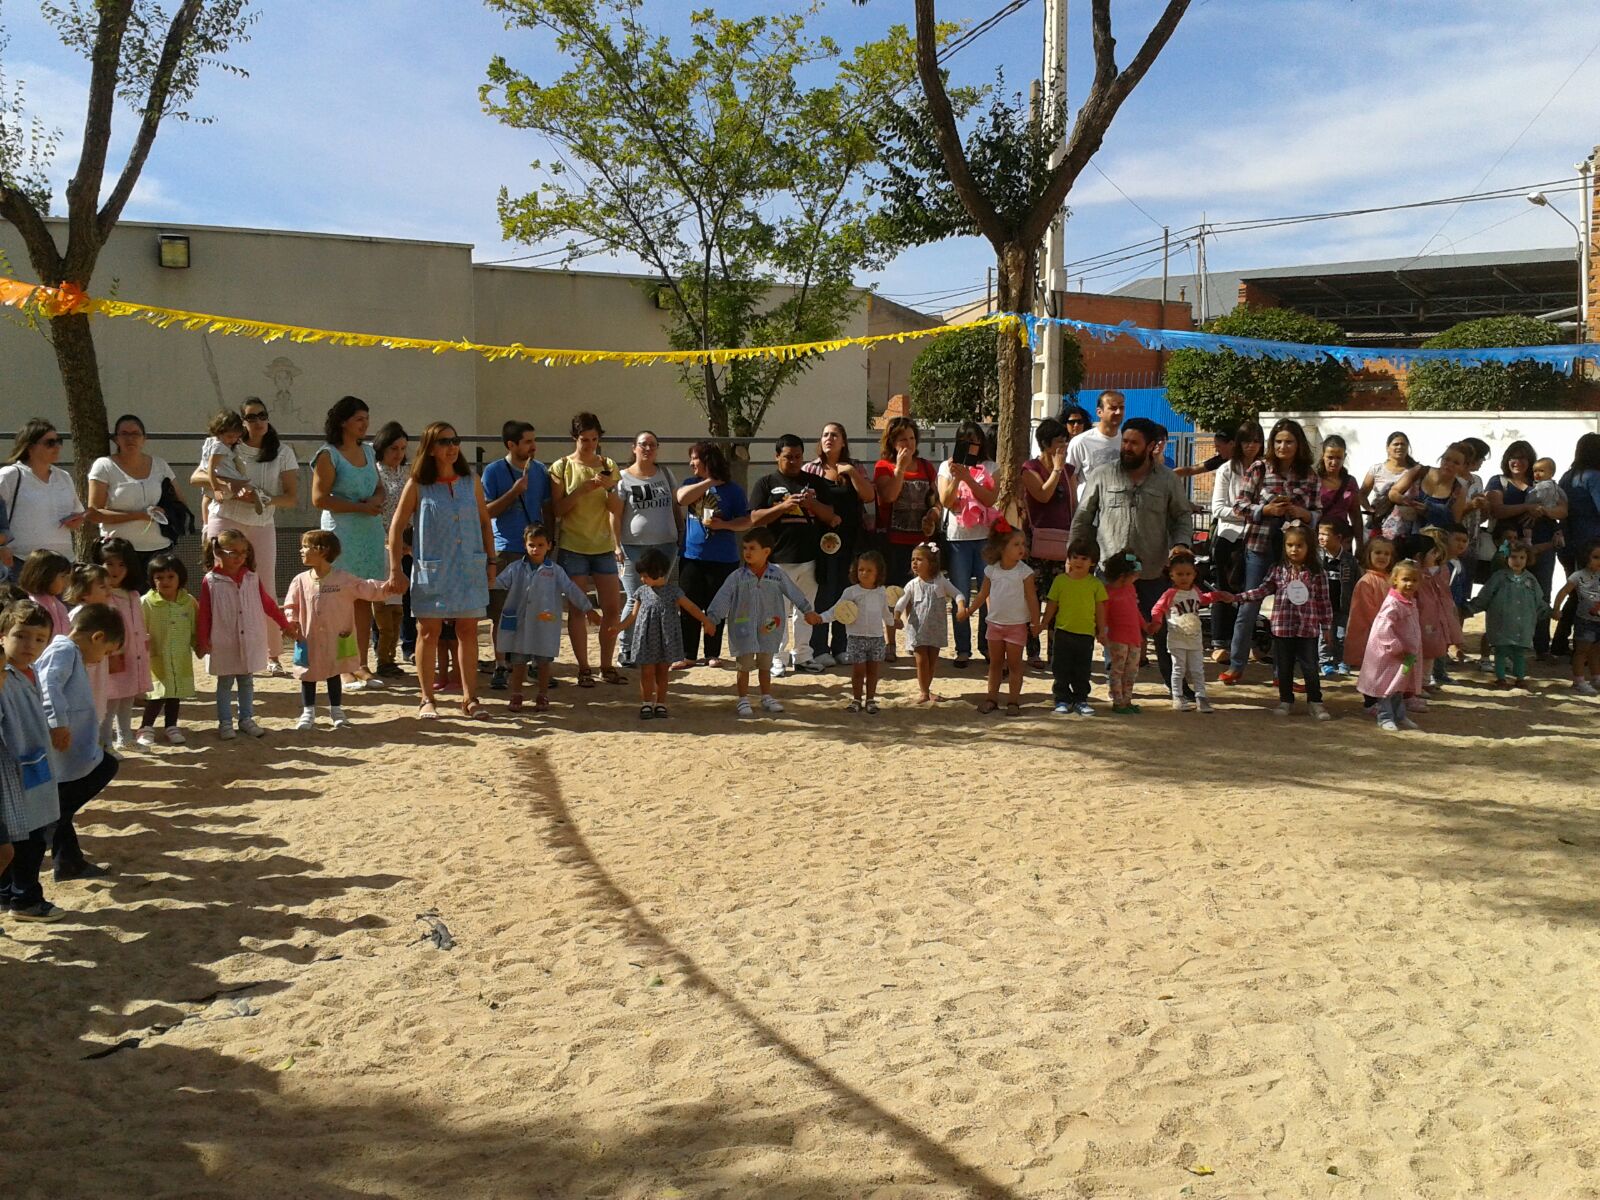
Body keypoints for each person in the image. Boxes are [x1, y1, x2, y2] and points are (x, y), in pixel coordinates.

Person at [1070, 416, 1194, 690]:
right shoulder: (1102, 474)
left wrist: (1181, 544)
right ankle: (1116, 688)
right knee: (1111, 631)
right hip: (1110, 573)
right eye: (1124, 441)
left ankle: (1175, 685)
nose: (1126, 447)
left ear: (1151, 446)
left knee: (1162, 630)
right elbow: (1083, 517)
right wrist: (1075, 555)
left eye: (1134, 443)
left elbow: (1182, 517)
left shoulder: (1168, 480)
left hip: (1153, 571)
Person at [385, 422, 495, 720]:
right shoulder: (418, 484)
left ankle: (470, 698)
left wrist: (491, 561)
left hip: (469, 567)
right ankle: (427, 698)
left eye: (455, 440)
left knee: (468, 630)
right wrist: (396, 569)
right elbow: (396, 526)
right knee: (428, 631)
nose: (452, 447)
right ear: (431, 448)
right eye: (445, 442)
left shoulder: (471, 481)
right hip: (433, 569)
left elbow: (485, 523)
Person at [192, 398, 301, 674]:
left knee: (264, 585)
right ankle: (216, 649)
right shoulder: (226, 444)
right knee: (218, 583)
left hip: (261, 522)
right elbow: (197, 477)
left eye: (262, 415)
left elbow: (290, 498)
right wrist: (230, 486)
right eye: (251, 417)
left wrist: (260, 498)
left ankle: (272, 654)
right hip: (225, 518)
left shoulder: (282, 451)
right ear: (241, 423)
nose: (258, 421)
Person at [1220, 418, 1320, 686]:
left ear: (1299, 444)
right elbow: (1239, 505)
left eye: (1289, 441)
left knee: (1288, 612)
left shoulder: (1309, 475)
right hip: (1259, 546)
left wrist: (1303, 514)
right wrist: (1265, 510)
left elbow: (1317, 512)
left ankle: (1282, 674)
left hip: (1294, 553)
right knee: (1249, 606)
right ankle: (1236, 665)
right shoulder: (1259, 468)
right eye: (1278, 441)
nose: (1283, 446)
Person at [36, 602, 124, 880]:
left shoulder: (71, 652)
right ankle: (49, 826)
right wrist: (57, 723)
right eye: (106, 652)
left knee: (62, 802)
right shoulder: (63, 650)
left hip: (70, 745)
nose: (102, 658)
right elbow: (48, 685)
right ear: (97, 637)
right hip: (60, 742)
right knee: (105, 767)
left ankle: (68, 862)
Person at [703, 527, 821, 718]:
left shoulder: (777, 575)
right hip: (743, 628)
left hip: (769, 627)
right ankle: (743, 699)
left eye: (752, 548)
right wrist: (712, 619)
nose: (747, 552)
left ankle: (766, 696)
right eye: (745, 548)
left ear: (766, 552)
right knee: (744, 665)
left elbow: (794, 592)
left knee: (765, 665)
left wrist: (807, 610)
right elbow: (723, 597)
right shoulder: (737, 577)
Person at [283, 531, 394, 731]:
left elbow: (366, 588)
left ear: (323, 550)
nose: (301, 550)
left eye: (306, 546)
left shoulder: (342, 579)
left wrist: (389, 587)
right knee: (308, 674)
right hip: (308, 637)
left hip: (336, 636)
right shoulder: (300, 580)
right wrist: (291, 622)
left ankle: (336, 711)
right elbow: (291, 605)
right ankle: (308, 712)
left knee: (334, 672)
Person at [311, 396, 386, 688]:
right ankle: (340, 666)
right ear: (343, 422)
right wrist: (358, 507)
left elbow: (379, 487)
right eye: (359, 419)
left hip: (369, 533)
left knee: (363, 597)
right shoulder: (328, 455)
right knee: (339, 600)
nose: (365, 424)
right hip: (342, 534)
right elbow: (319, 498)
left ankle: (361, 663)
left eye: (366, 418)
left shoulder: (369, 451)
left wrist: (376, 500)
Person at [0, 600, 68, 921]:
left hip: (35, 764)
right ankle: (25, 899)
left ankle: (8, 892)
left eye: (39, 639)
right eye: (21, 636)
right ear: (2, 636)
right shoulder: (3, 677)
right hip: (12, 770)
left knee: (31, 833)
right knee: (27, 838)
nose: (30, 645)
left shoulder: (32, 672)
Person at [1225, 524, 1333, 720]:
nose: (1294, 550)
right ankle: (1286, 701)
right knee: (1284, 666)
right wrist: (1237, 597)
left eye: (1299, 545)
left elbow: (1323, 602)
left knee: (1310, 666)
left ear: (1309, 547)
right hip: (1282, 628)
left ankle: (1315, 702)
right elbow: (1262, 590)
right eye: (1290, 545)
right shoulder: (1277, 570)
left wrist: (1326, 627)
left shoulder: (1318, 573)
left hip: (1308, 629)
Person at [548, 412, 625, 687]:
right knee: (578, 609)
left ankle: (607, 665)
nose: (590, 444)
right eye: (584, 439)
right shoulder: (561, 466)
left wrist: (609, 488)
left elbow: (616, 509)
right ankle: (583, 668)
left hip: (603, 545)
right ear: (575, 438)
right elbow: (557, 510)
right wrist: (581, 490)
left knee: (612, 608)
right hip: (574, 546)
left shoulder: (608, 464)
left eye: (594, 439)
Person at [751, 434, 836, 676]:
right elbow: (754, 518)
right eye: (788, 457)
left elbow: (830, 515)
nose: (794, 461)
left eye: (798, 457)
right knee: (776, 612)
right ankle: (777, 657)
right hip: (777, 559)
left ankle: (803, 656)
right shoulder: (766, 483)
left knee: (805, 610)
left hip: (810, 558)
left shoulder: (815, 482)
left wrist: (812, 505)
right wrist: (783, 506)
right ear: (777, 456)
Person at [198, 529, 293, 739]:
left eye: (243, 552)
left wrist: (284, 624)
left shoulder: (252, 578)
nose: (239, 557)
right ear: (218, 552)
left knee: (246, 681)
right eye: (233, 552)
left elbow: (268, 603)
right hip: (224, 641)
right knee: (225, 683)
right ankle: (225, 722)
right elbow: (204, 612)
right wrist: (203, 640)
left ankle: (246, 718)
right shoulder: (211, 581)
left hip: (249, 639)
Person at [498, 524, 599, 713]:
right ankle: (516, 694)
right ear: (525, 545)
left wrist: (587, 608)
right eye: (531, 545)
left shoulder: (555, 571)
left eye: (540, 545)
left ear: (549, 546)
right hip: (520, 623)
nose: (535, 549)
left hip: (544, 623)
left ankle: (542, 694)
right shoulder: (515, 568)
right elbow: (498, 583)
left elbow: (571, 589)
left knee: (544, 662)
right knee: (519, 662)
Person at [481, 420, 552, 688]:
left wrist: (550, 540)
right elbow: (486, 512)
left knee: (535, 611)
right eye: (527, 442)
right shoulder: (494, 471)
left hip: (535, 550)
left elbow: (547, 507)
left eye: (534, 441)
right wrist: (513, 493)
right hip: (505, 548)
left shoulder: (540, 470)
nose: (533, 446)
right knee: (501, 612)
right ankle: (501, 664)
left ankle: (533, 664)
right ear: (511, 445)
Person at [608, 547, 712, 721]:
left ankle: (661, 703)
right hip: (646, 639)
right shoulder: (641, 592)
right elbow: (633, 615)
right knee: (646, 672)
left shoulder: (674, 592)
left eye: (645, 576)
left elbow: (691, 607)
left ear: (658, 572)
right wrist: (619, 627)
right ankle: (646, 703)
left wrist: (705, 620)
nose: (642, 579)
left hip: (666, 639)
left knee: (663, 672)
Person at [802, 422, 874, 669]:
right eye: (825, 435)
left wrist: (851, 472)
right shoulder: (810, 469)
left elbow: (869, 496)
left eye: (834, 435)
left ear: (843, 441)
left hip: (851, 541)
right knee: (823, 594)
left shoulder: (856, 467)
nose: (829, 439)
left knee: (847, 593)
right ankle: (820, 648)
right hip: (820, 541)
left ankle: (841, 646)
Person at [674, 441, 750, 669]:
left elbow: (746, 521)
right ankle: (688, 654)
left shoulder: (733, 490)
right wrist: (710, 481)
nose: (691, 464)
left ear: (707, 460)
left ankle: (712, 653)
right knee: (688, 606)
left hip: (723, 558)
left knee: (716, 608)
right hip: (692, 556)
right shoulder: (691, 484)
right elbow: (681, 499)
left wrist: (724, 525)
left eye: (695, 459)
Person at [611, 430, 682, 668]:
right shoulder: (623, 478)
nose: (648, 449)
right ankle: (626, 649)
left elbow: (675, 506)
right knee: (635, 599)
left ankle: (654, 647)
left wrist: (680, 532)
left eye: (652, 444)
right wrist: (616, 545)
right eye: (643, 444)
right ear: (634, 448)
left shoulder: (665, 474)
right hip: (633, 547)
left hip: (665, 545)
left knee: (658, 597)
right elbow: (615, 515)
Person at [1486, 440, 1560, 660]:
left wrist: (1543, 511)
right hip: (1510, 549)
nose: (1517, 462)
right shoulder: (1498, 481)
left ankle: (1542, 647)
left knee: (1541, 594)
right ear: (1506, 460)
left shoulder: (1542, 484)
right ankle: (1504, 646)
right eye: (1513, 457)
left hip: (1541, 547)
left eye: (1523, 458)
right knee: (1505, 596)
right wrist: (1528, 507)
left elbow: (1563, 509)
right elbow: (1497, 510)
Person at [938, 421, 999, 664]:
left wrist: (970, 479)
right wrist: (956, 477)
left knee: (986, 594)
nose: (970, 446)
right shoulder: (946, 466)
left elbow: (990, 499)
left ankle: (986, 644)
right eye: (964, 442)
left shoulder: (991, 467)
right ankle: (963, 648)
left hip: (984, 538)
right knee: (960, 594)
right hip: (958, 539)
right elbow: (946, 500)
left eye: (974, 441)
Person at [873, 415, 940, 634]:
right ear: (892, 442)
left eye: (912, 438)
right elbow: (889, 496)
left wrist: (933, 514)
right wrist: (900, 469)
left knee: (920, 595)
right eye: (903, 439)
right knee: (893, 594)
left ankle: (916, 638)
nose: (909, 444)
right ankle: (891, 641)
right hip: (893, 542)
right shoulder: (883, 467)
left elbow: (936, 501)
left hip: (921, 543)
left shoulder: (926, 467)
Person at [86, 413, 176, 573]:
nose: (130, 438)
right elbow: (94, 513)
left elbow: (179, 502)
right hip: (119, 554)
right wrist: (138, 515)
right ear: (116, 439)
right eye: (124, 434)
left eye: (135, 434)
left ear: (144, 438)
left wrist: (165, 511)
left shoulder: (160, 465)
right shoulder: (104, 465)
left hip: (159, 549)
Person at [1020, 417, 1077, 670]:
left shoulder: (1069, 470)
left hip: (1062, 542)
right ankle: (1033, 651)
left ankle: (1056, 654)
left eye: (1065, 441)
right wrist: (1055, 470)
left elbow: (1073, 504)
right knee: (1032, 599)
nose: (1063, 446)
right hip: (1035, 543)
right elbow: (1042, 495)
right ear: (1045, 443)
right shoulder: (1030, 468)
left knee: (1059, 601)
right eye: (1058, 442)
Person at [1207, 422, 1262, 663]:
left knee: (1251, 593)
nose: (1251, 446)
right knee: (1224, 591)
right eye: (1246, 441)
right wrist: (1252, 513)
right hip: (1230, 539)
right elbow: (1218, 508)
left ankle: (1246, 641)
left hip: (1258, 538)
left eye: (1256, 441)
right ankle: (1220, 642)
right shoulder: (1227, 469)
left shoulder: (1267, 470)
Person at [816, 549, 895, 714]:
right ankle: (857, 699)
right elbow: (836, 611)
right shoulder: (851, 592)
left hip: (876, 638)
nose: (864, 573)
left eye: (869, 570)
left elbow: (886, 613)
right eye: (861, 569)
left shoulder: (881, 592)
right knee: (858, 671)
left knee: (873, 671)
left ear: (878, 572)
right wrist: (821, 618)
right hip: (856, 638)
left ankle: (870, 699)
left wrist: (894, 622)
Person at [1149, 548, 1226, 714]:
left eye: (1188, 574)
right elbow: (1157, 609)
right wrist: (1156, 622)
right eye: (1179, 574)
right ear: (1171, 575)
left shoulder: (1195, 591)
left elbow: (1203, 599)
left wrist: (1218, 595)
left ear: (1194, 574)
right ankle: (1178, 696)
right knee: (1179, 668)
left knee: (1198, 669)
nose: (1184, 578)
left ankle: (1201, 697)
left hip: (1195, 637)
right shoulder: (1170, 594)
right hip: (1177, 638)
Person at [90, 537, 150, 751]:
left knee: (127, 697)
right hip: (113, 656)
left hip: (134, 655)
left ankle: (125, 738)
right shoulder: (102, 597)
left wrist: (143, 645)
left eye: (121, 564)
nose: (115, 570)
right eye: (109, 564)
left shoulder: (132, 594)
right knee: (110, 700)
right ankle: (106, 743)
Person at [973, 528, 1039, 716]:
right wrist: (969, 610)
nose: (1022, 548)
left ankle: (1013, 702)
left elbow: (1032, 598)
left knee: (1015, 665)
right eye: (1016, 544)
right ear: (1002, 548)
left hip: (1016, 626)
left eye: (1023, 544)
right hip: (994, 625)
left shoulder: (1025, 572)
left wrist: (1035, 622)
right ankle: (991, 699)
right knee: (995, 664)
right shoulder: (991, 570)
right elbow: (982, 594)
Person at [0, 419, 86, 559]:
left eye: (59, 441)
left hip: (62, 561)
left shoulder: (64, 477)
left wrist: (76, 520)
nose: (57, 447)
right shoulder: (10, 475)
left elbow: (77, 513)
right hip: (21, 560)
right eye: (50, 443)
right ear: (30, 447)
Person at [1468, 541, 1548, 687]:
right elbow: (1485, 596)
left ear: (1527, 559)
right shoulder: (1498, 577)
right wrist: (1470, 608)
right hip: (1501, 623)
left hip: (1522, 625)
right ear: (1506, 558)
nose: (1518, 561)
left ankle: (1520, 677)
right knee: (1500, 651)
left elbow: (1539, 600)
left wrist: (1549, 612)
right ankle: (1501, 678)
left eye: (1522, 557)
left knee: (1519, 653)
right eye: (1513, 557)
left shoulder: (1530, 579)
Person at [894, 542, 967, 704]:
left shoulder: (940, 581)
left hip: (936, 629)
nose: (914, 562)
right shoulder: (912, 585)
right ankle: (924, 692)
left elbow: (958, 594)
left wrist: (961, 607)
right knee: (921, 661)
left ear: (932, 563)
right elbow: (901, 602)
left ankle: (927, 689)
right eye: (913, 559)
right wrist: (897, 617)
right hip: (918, 630)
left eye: (919, 559)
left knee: (932, 662)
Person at [1038, 537, 1103, 716]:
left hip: (1086, 634)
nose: (1079, 562)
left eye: (1084, 558)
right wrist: (1044, 623)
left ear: (1093, 562)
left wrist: (1102, 630)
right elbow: (1052, 605)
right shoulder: (1060, 581)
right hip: (1063, 633)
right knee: (1061, 669)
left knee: (1082, 670)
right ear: (1068, 558)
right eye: (1075, 557)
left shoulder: (1096, 584)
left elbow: (1100, 609)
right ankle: (1062, 699)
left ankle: (1081, 700)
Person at [138, 552, 197, 746]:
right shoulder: (146, 602)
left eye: (170, 576)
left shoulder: (188, 602)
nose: (165, 581)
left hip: (180, 657)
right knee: (157, 694)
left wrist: (199, 645)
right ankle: (146, 727)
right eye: (159, 577)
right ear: (152, 580)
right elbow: (139, 628)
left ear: (180, 577)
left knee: (174, 694)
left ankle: (171, 726)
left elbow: (195, 627)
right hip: (157, 657)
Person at [1359, 560, 1424, 733]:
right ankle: (1385, 717)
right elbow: (1383, 628)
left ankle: (1399, 715)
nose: (1410, 584)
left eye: (1414, 580)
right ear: (1395, 580)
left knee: (1399, 686)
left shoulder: (1410, 601)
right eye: (1405, 579)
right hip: (1390, 655)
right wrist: (1396, 647)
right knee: (1386, 687)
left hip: (1406, 655)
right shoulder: (1393, 603)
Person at [1553, 434, 1600, 657]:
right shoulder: (1594, 477)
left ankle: (1560, 641)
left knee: (1575, 592)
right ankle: (1586, 645)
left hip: (1568, 543)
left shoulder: (1567, 476)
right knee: (1590, 594)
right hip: (1593, 546)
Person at [372, 421, 411, 677]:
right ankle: (382, 655)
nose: (398, 454)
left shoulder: (407, 473)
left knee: (401, 604)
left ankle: (399, 651)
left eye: (402, 448)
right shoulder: (375, 472)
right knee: (382, 605)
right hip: (380, 543)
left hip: (405, 544)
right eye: (393, 448)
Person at [1408, 531, 1461, 710]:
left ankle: (1421, 684)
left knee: (1429, 652)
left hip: (1429, 619)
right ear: (1419, 556)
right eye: (1432, 553)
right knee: (1412, 656)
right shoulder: (1412, 574)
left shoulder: (1434, 572)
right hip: (1415, 620)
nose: (1436, 556)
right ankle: (1409, 687)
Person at [1343, 536, 1396, 701]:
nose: (1382, 557)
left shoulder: (1391, 579)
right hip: (1371, 633)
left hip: (1388, 631)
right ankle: (1370, 703)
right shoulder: (1366, 582)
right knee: (1371, 669)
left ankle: (1384, 700)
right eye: (1378, 552)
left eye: (1386, 554)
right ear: (1369, 554)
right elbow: (1368, 611)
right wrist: (1385, 628)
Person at [1099, 548, 1147, 714]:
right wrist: (1101, 632)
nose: (1137, 577)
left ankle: (1127, 700)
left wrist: (1144, 626)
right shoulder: (1107, 593)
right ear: (1122, 576)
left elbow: (1135, 611)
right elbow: (1103, 616)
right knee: (1117, 670)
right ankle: (1118, 702)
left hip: (1134, 638)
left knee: (1132, 671)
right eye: (1135, 575)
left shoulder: (1130, 589)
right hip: (1117, 639)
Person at [1551, 540, 1600, 694]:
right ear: (1586, 558)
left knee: (1596, 650)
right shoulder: (1578, 576)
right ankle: (1578, 680)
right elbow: (1564, 592)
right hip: (1585, 620)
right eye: (1596, 557)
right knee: (1581, 651)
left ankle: (1596, 677)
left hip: (1598, 620)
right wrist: (1556, 608)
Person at [1316, 523, 1357, 677]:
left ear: (1338, 537)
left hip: (1342, 606)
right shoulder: (1317, 558)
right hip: (1323, 606)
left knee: (1342, 636)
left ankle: (1342, 661)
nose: (1320, 537)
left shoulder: (1349, 560)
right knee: (1324, 636)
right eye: (1319, 533)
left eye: (1325, 534)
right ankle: (1325, 662)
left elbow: (1356, 581)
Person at [1360, 431, 1418, 536]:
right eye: (1396, 444)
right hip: (1379, 524)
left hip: (1406, 528)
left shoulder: (1415, 471)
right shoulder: (1376, 469)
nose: (1400, 447)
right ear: (1387, 448)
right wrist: (1370, 510)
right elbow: (1362, 494)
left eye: (1403, 444)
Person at [1314, 434, 1363, 547]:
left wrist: (1360, 544)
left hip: (1342, 541)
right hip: (1318, 539)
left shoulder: (1350, 482)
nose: (1334, 462)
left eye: (1338, 458)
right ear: (1322, 455)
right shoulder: (1313, 480)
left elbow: (1355, 514)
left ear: (1344, 456)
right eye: (1330, 457)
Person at [1066, 390, 1126, 478]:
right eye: (1113, 408)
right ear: (1099, 412)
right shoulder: (1080, 442)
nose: (1118, 412)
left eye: (1121, 408)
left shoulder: (1127, 440)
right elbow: (1070, 477)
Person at [19, 549, 72, 635]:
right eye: (62, 576)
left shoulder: (57, 604)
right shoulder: (31, 606)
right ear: (45, 576)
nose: (67, 581)